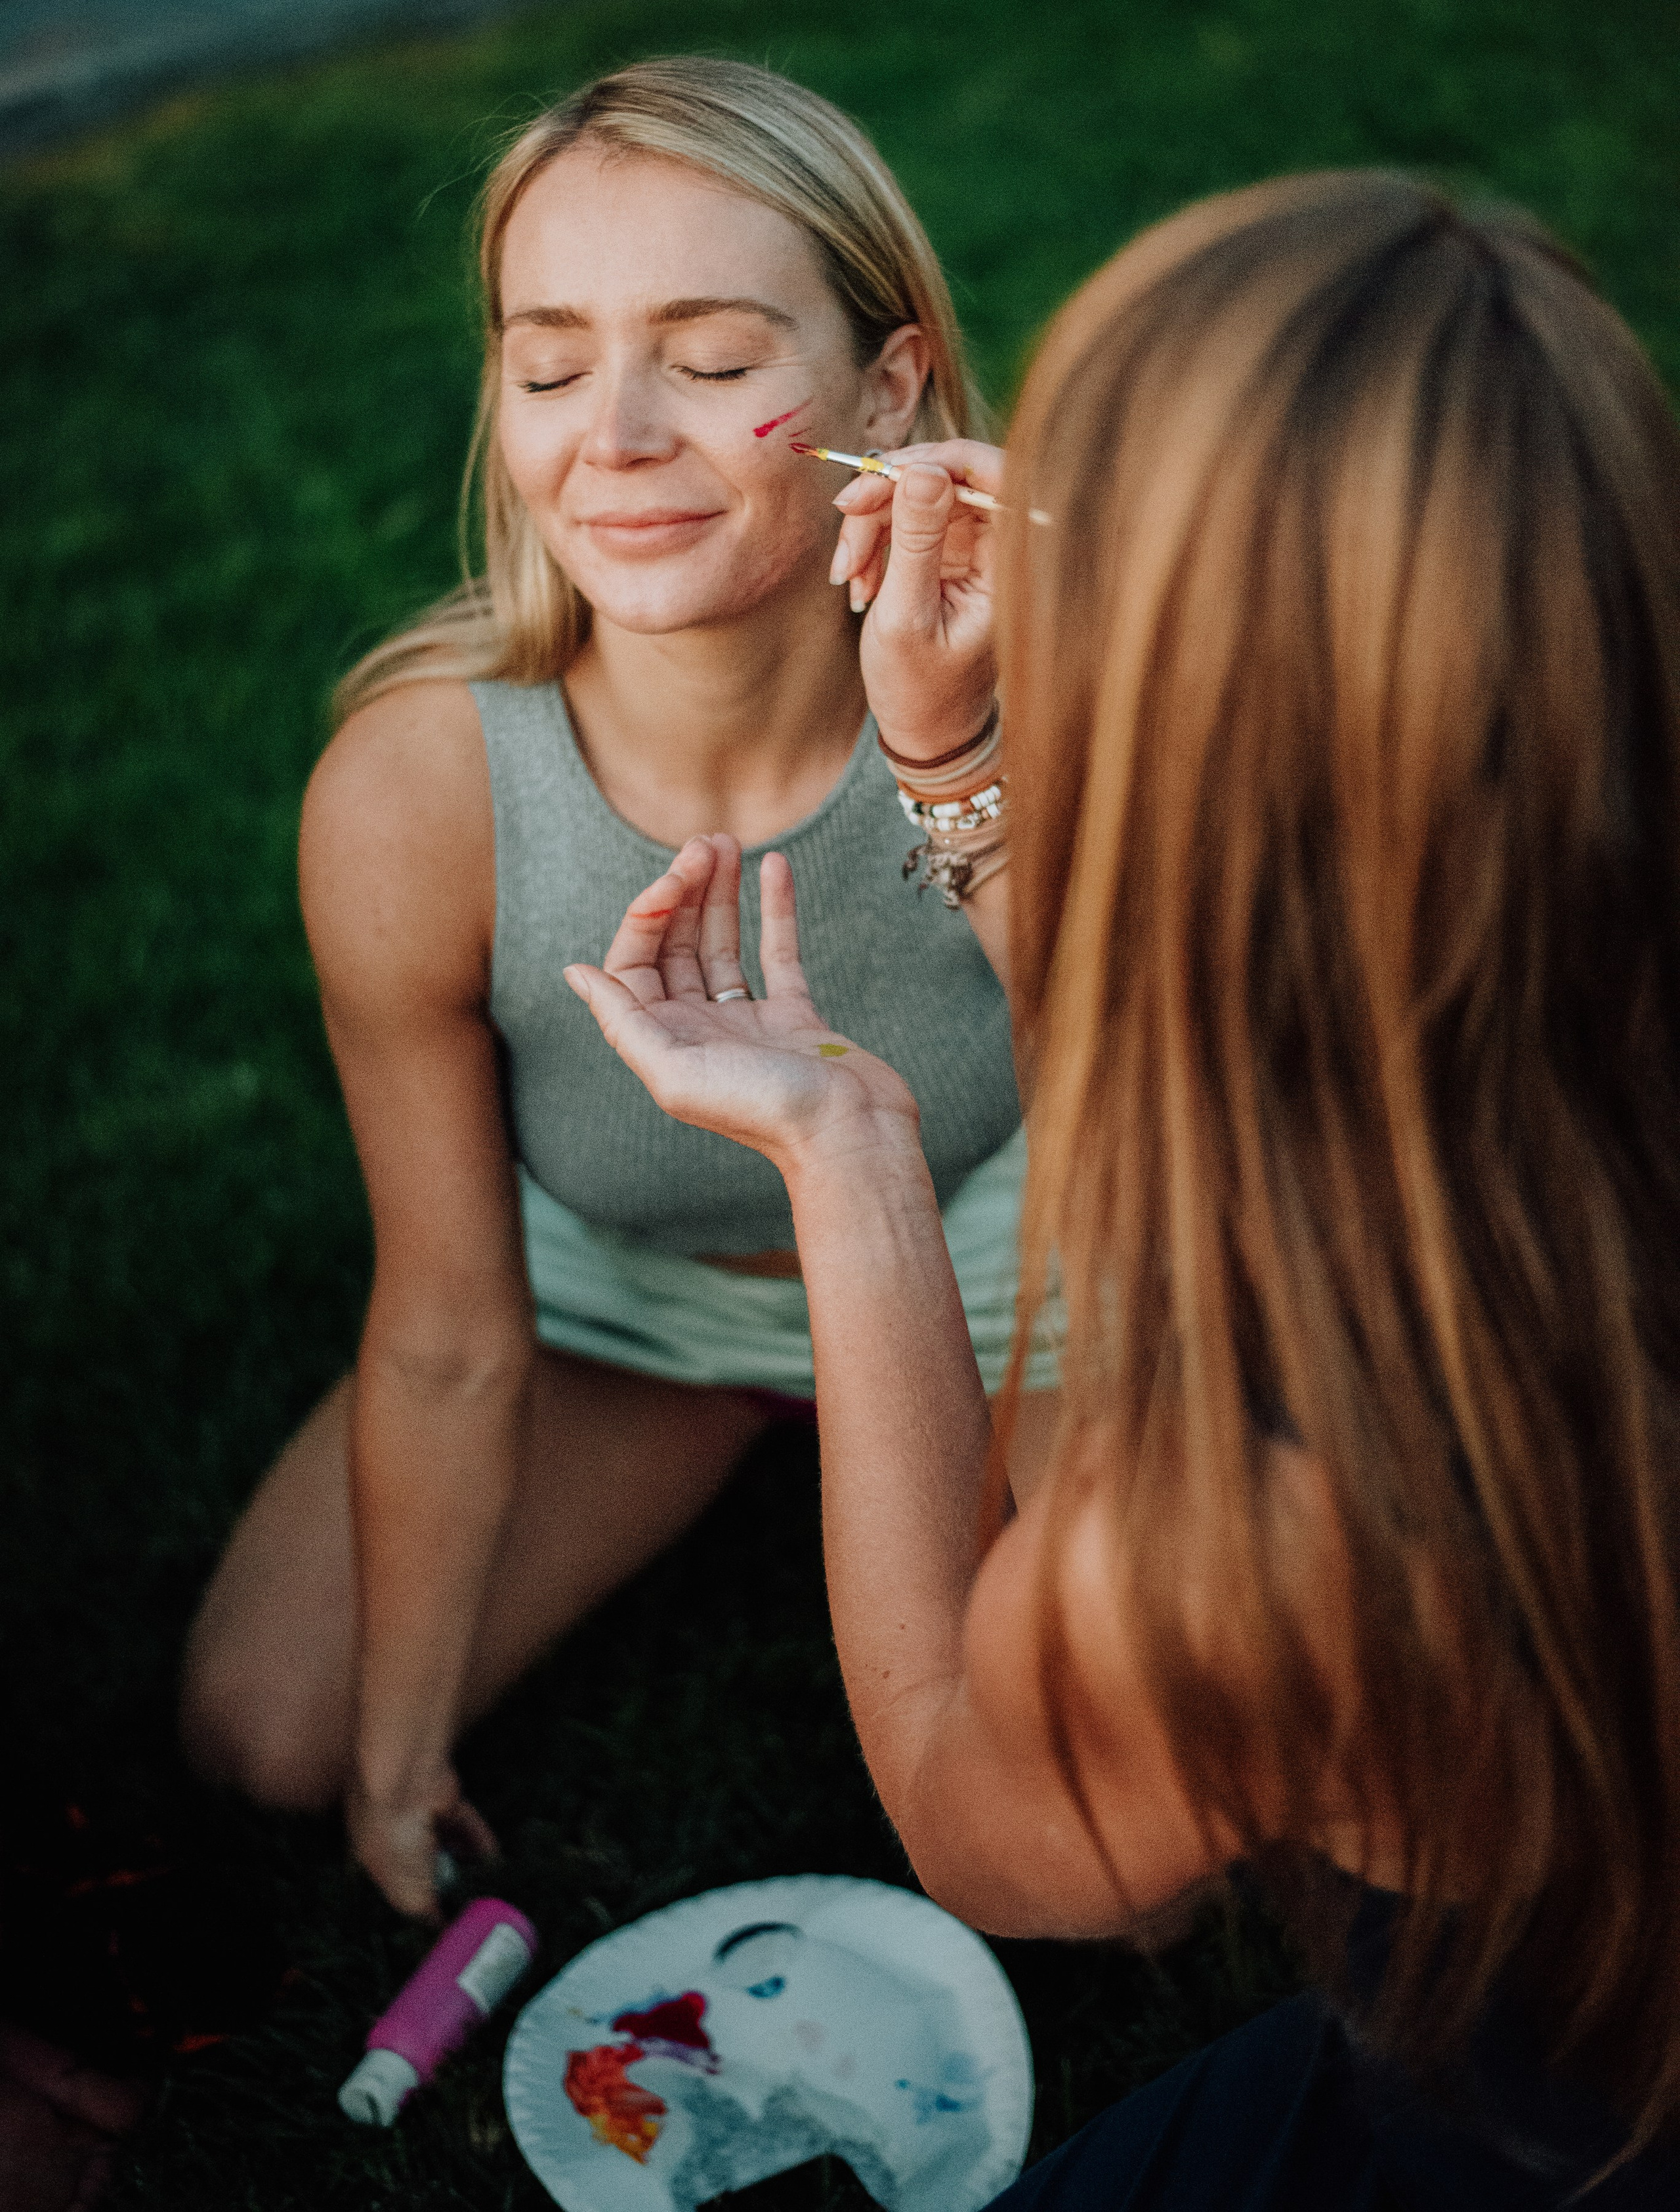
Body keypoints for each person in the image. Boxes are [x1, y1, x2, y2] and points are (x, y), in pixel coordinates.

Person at [567, 171, 1680, 2204]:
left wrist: (847, 1152)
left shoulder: (1275, 1517)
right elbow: (1272, 1016)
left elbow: (976, 1813)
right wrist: (958, 765)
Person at [178, 58, 1057, 1919]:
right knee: (269, 1731)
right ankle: (735, 1428)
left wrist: (979, 744)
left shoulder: (1046, 680)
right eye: (551, 364)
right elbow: (445, 1324)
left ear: (889, 389)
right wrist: (399, 1749)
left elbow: (1165, 1099)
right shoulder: (419, 790)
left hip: (1007, 1256)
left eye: (715, 359)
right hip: (630, 1297)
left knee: (1101, 1829)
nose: (618, 436)